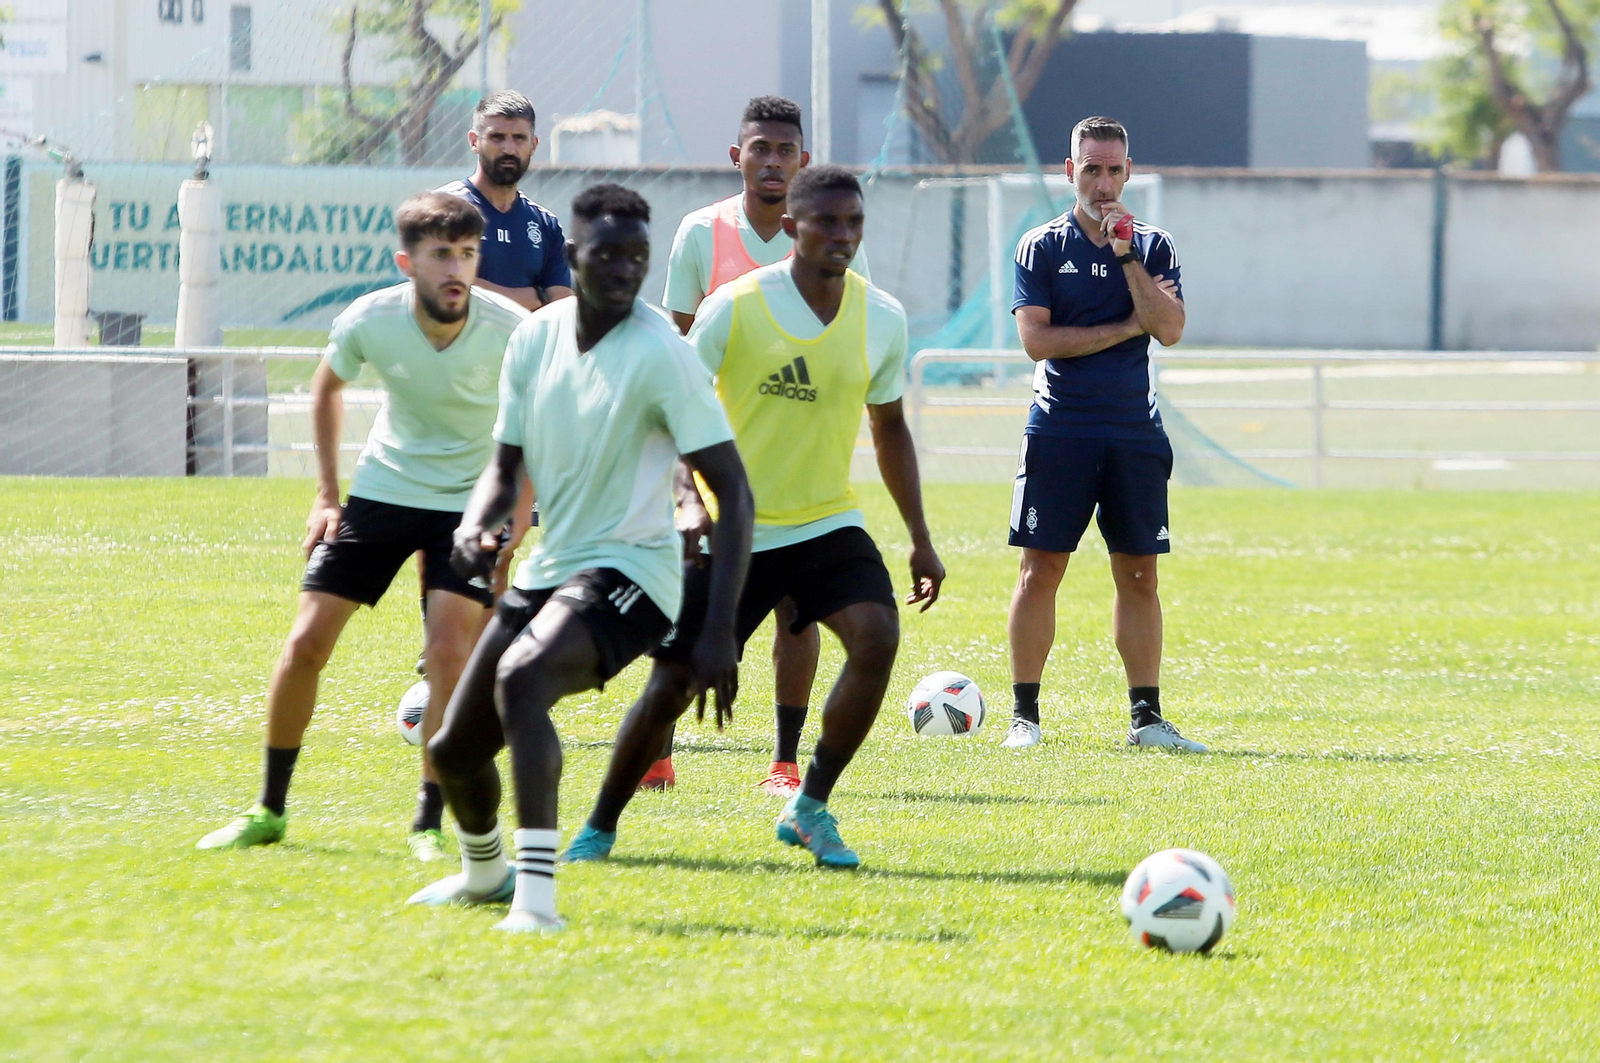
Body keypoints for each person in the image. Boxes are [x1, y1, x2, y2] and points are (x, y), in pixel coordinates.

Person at [564, 165, 944, 871]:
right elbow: (666, 407)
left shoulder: (881, 317)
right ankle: (599, 824)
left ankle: (810, 804)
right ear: (793, 227)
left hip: (826, 520)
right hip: (733, 526)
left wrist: (920, 538)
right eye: (826, 221)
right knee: (673, 684)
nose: (841, 234)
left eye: (853, 222)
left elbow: (890, 428)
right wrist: (684, 500)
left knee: (877, 636)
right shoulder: (735, 307)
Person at [407, 184, 753, 933]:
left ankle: (537, 899)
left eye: (637, 257)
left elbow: (735, 492)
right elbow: (505, 466)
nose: (626, 270)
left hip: (635, 574)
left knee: (524, 680)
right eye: (608, 255)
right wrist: (477, 526)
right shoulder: (536, 338)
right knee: (454, 750)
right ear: (573, 256)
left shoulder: (664, 353)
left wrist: (718, 631)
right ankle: (485, 873)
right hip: (550, 567)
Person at [196, 192, 531, 853]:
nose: (455, 269)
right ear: (407, 262)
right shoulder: (369, 318)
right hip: (383, 490)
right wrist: (327, 496)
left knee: (447, 654)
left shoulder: (511, 327)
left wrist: (516, 516)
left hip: (468, 501)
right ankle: (269, 809)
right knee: (305, 644)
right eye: (441, 255)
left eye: (467, 254)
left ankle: (428, 823)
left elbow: (539, 420)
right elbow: (326, 389)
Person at [645, 94, 873, 797]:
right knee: (691, 610)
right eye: (760, 148)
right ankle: (656, 752)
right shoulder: (700, 233)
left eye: (785, 150)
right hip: (714, 465)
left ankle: (783, 758)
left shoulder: (824, 235)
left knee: (796, 610)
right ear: (736, 155)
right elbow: (674, 351)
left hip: (799, 466)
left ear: (803, 159)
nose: (772, 161)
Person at [1003, 115, 1205, 754]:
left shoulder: (1154, 246)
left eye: (1115, 169)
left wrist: (1124, 254)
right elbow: (1037, 340)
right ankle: (1024, 719)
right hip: (1059, 428)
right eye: (1091, 168)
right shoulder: (1041, 246)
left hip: (1134, 432)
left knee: (1140, 574)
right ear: (1070, 171)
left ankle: (1146, 718)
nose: (1104, 181)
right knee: (1042, 570)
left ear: (1129, 171)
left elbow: (1169, 327)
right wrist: (1124, 328)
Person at [438, 90, 574, 312]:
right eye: (497, 137)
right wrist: (537, 296)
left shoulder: (545, 223)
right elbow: (443, 287)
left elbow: (561, 305)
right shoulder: (443, 209)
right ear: (474, 141)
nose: (509, 149)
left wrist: (480, 290)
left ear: (534, 144)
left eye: (519, 138)